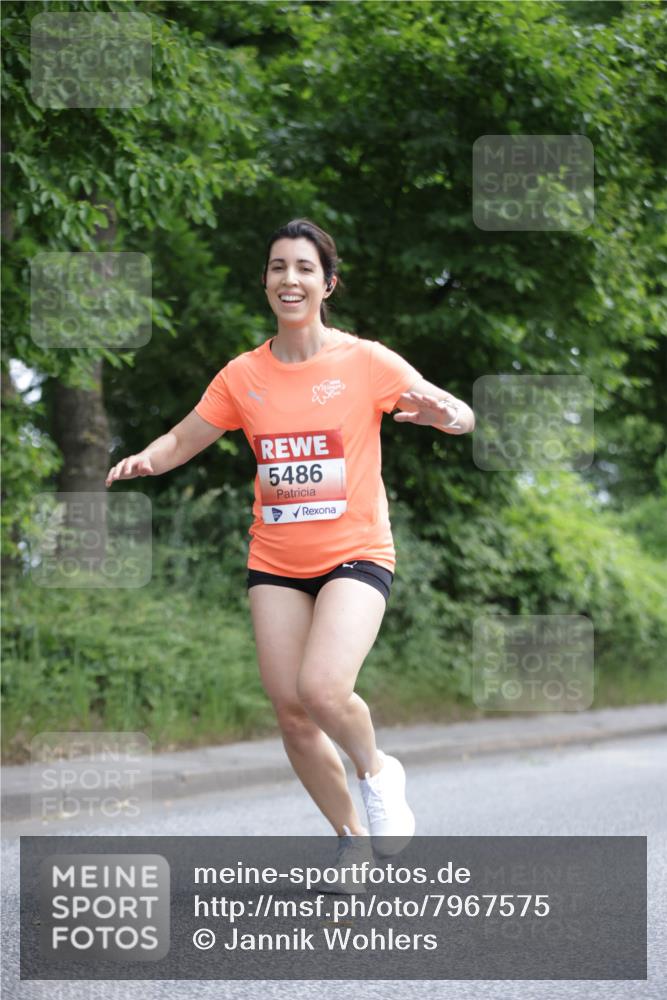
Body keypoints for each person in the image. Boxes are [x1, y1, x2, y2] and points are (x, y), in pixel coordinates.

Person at [105, 218, 475, 885]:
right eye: (278, 267)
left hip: (356, 551)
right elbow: (183, 438)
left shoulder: (365, 361)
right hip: (275, 561)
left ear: (327, 284)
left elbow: (460, 413)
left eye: (304, 267)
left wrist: (444, 416)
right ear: (266, 282)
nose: (290, 279)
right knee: (294, 714)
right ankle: (351, 843)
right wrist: (147, 460)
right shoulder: (243, 375)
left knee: (323, 688)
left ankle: (377, 772)